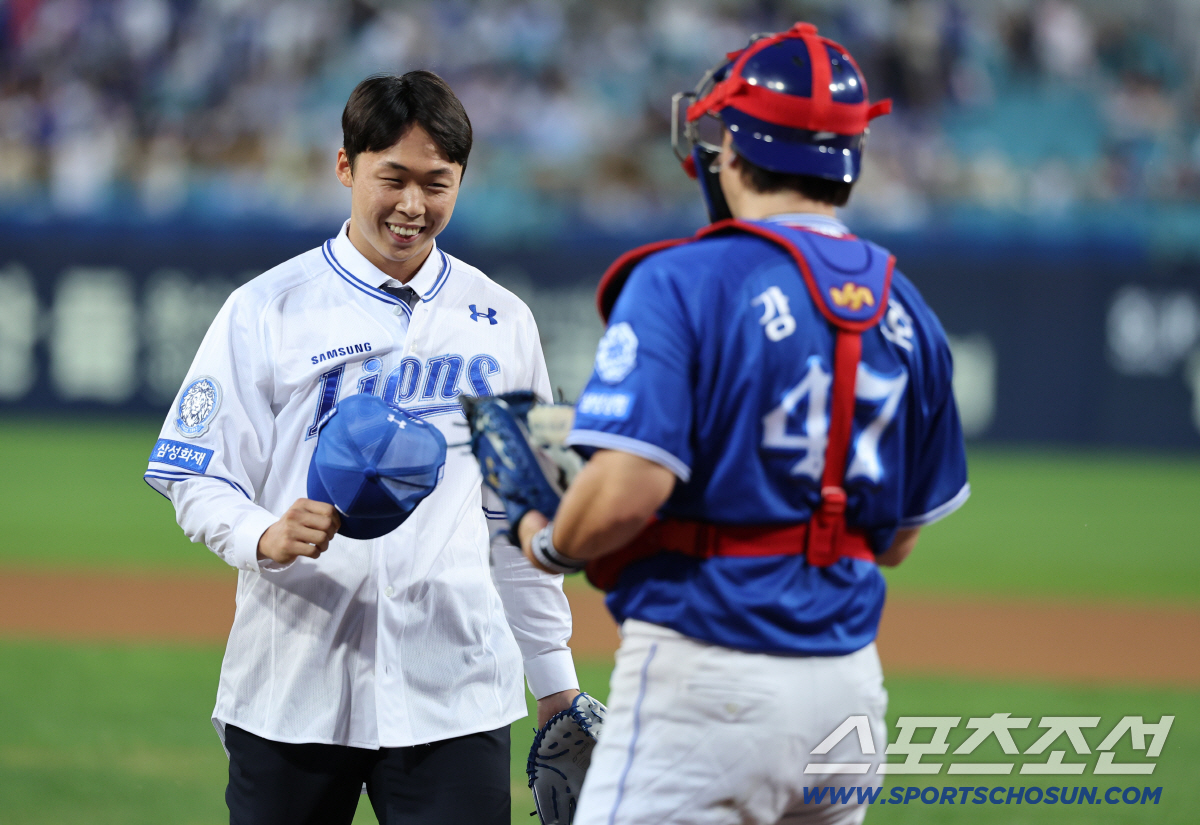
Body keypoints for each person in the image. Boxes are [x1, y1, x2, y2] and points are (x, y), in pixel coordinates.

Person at [513, 23, 969, 825]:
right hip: (850, 692)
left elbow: (625, 490)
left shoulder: (684, 278)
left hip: (708, 680)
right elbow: (896, 538)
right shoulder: (907, 306)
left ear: (729, 149)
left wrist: (549, 540)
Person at [143, 71, 580, 825]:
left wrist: (556, 682)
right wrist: (263, 533)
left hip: (456, 691)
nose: (414, 205)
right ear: (345, 167)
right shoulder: (265, 310)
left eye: (437, 183)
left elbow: (524, 514)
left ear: (461, 182)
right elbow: (196, 473)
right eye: (394, 178)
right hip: (294, 688)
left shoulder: (502, 321)